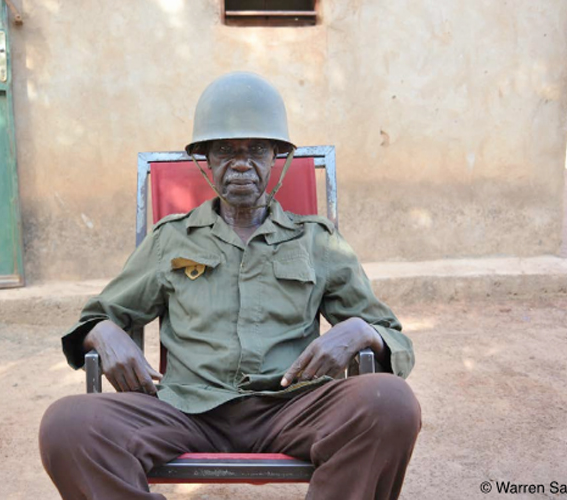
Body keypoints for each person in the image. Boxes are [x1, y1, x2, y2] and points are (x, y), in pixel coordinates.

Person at [39, 72, 421, 500]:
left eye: (256, 150)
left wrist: (362, 331)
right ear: (205, 160)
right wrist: (102, 330)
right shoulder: (171, 239)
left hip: (294, 407)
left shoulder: (318, 241)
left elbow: (394, 338)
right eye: (225, 150)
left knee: (391, 402)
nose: (241, 164)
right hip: (185, 410)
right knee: (67, 425)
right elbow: (100, 315)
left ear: (276, 157)